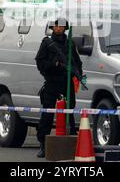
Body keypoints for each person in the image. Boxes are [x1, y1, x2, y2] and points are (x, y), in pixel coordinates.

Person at [34, 18, 83, 158]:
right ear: (52, 27)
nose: (58, 28)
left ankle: (70, 144)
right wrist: (52, 65)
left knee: (69, 114)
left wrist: (77, 74)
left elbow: (77, 62)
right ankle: (44, 145)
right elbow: (40, 63)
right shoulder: (47, 43)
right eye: (56, 26)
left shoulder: (70, 44)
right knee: (47, 115)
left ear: (65, 28)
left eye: (61, 26)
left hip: (67, 83)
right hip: (51, 82)